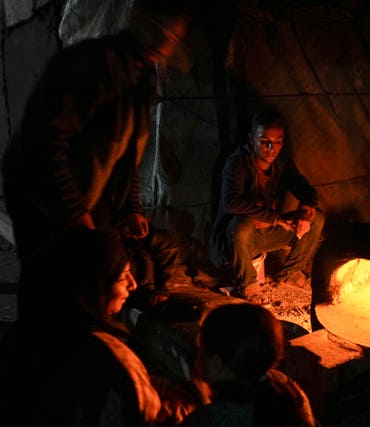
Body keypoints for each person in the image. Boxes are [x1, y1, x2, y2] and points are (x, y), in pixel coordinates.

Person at [1, 0, 191, 320]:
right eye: (158, 30)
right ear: (137, 17)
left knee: (90, 278)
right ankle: (37, 352)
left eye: (173, 39)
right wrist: (74, 211)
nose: (163, 43)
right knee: (49, 281)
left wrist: (132, 208)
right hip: (41, 192)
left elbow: (126, 155)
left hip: (88, 194)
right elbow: (45, 144)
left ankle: (86, 341)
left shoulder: (143, 78)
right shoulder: (95, 66)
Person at [0, 227, 161, 426]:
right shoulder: (106, 355)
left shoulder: (23, 336)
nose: (133, 284)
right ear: (91, 287)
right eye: (122, 275)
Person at [209, 110, 324, 302]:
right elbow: (230, 203)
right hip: (235, 242)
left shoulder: (281, 163)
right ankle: (248, 285)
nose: (271, 148)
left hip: (266, 235)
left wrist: (307, 208)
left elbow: (305, 189)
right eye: (264, 142)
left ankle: (288, 276)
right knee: (241, 225)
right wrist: (277, 218)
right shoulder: (237, 162)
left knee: (317, 218)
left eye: (277, 142)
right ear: (251, 138)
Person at [178, 303, 318, 427]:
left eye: (201, 348)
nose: (196, 353)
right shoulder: (285, 384)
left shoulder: (211, 419)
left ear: (216, 363)